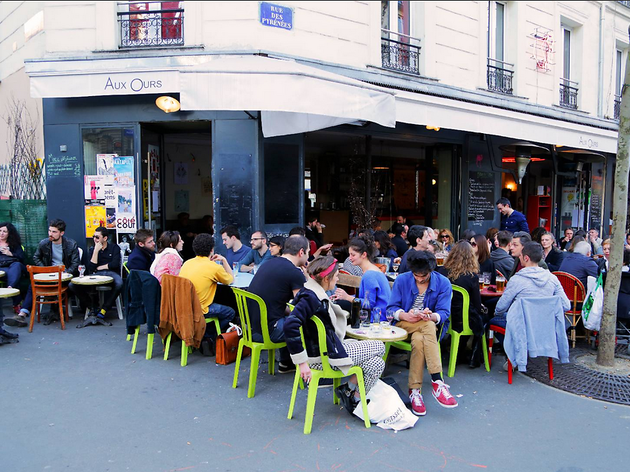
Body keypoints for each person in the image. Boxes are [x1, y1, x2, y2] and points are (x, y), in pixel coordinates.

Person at [284, 256, 385, 413]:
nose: (338, 278)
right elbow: (290, 325)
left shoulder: (309, 292)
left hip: (325, 350)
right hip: (324, 357)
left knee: (377, 363)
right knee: (380, 346)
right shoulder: (311, 298)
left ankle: (351, 395)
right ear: (326, 279)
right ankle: (349, 392)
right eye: (336, 275)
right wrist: (301, 362)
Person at [387, 250, 457, 415]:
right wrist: (405, 315)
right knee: (428, 327)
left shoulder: (443, 283)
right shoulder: (402, 280)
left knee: (420, 338)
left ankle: (414, 390)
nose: (419, 279)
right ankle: (438, 382)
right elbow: (391, 309)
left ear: (431, 271)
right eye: (416, 275)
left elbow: (444, 313)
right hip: (404, 325)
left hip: (426, 327)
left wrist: (430, 315)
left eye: (423, 276)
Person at [489, 242, 570, 353]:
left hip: (521, 326)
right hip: (545, 326)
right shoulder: (552, 279)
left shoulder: (516, 280)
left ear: (526, 258)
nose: (519, 258)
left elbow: (501, 307)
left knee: (492, 320)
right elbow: (566, 305)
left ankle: (517, 352)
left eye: (520, 256)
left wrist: (498, 313)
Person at [247, 235, 309, 373]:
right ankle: (318, 368)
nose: (308, 256)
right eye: (308, 252)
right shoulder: (294, 272)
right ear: (301, 252)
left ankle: (286, 363)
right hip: (269, 331)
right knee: (309, 323)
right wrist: (308, 279)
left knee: (288, 317)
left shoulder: (268, 263)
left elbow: (275, 304)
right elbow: (302, 306)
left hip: (252, 329)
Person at [6, 219, 80, 328]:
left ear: (62, 233)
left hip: (64, 277)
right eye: (49, 231)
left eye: (54, 232)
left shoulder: (71, 244)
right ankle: (22, 314)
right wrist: (45, 270)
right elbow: (36, 257)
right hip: (49, 275)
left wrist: (66, 273)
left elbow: (75, 263)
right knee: (33, 285)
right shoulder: (44, 243)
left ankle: (55, 311)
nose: (50, 234)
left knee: (68, 285)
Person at [179, 233, 235, 347]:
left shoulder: (187, 263)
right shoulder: (213, 267)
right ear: (211, 249)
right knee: (230, 312)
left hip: (184, 307)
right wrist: (224, 260)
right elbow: (230, 280)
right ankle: (208, 336)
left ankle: (203, 334)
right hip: (201, 309)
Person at [439, 241, 487, 368]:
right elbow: (477, 305)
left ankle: (457, 348)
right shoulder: (471, 277)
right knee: (483, 318)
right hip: (463, 321)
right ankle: (474, 355)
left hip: (445, 316)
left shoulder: (442, 272)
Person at [333, 236, 391, 321]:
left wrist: (347, 297)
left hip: (377, 317)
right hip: (379, 314)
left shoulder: (369, 275)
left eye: (353, 255)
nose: (350, 258)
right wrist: (343, 296)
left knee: (338, 306)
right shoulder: (373, 270)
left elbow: (369, 304)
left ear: (364, 254)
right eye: (349, 254)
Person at [73, 226, 123, 319]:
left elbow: (115, 264)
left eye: (97, 237)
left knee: (119, 283)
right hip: (96, 274)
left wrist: (100, 267)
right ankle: (93, 307)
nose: (94, 239)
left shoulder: (114, 247)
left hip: (111, 273)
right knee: (73, 285)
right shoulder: (92, 249)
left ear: (105, 238)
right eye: (93, 237)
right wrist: (96, 251)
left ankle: (104, 309)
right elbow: (91, 268)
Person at [0, 222, 25, 316]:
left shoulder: (14, 244)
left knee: (16, 267)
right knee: (14, 278)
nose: (1, 233)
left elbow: (22, 258)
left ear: (9, 233)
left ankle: (10, 287)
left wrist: (10, 253)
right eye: (0, 231)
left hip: (12, 267)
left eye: (4, 231)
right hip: (1, 269)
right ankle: (16, 304)